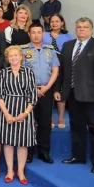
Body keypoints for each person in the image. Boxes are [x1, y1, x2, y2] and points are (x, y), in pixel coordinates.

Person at [55, 17, 94, 174]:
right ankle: (78, 156)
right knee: (76, 128)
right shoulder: (68, 45)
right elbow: (62, 71)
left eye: (85, 27)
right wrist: (58, 89)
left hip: (93, 97)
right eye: (78, 27)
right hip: (72, 95)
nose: (81, 29)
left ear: (91, 29)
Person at [0, 45, 38, 184]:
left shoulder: (29, 72)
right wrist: (6, 113)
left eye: (16, 55)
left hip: (24, 109)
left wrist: (25, 113)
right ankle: (9, 170)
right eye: (10, 56)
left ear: (21, 57)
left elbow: (33, 95)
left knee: (22, 143)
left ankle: (20, 171)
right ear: (7, 58)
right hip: (6, 110)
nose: (13, 58)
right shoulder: (3, 73)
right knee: (7, 142)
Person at [22, 23, 60, 164]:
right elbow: (21, 71)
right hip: (29, 91)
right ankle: (28, 152)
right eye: (33, 32)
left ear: (43, 34)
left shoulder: (50, 50)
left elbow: (55, 69)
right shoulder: (24, 50)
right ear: (29, 34)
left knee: (45, 122)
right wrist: (34, 88)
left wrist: (47, 87)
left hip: (46, 91)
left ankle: (44, 152)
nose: (36, 35)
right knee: (29, 123)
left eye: (39, 32)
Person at [43, 13, 73, 128]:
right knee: (49, 91)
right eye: (52, 21)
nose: (54, 23)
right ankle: (49, 117)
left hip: (63, 65)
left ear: (62, 23)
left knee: (60, 91)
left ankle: (61, 117)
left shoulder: (68, 36)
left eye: (57, 21)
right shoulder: (44, 35)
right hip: (47, 66)